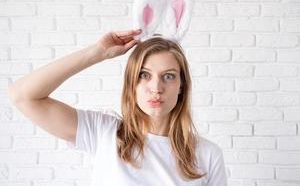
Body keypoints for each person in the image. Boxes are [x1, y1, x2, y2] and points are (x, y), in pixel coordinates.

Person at [7, 29, 227, 186]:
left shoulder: (207, 155)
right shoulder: (104, 132)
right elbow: (22, 96)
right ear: (132, 83)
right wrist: (97, 53)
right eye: (144, 75)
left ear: (181, 86)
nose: (156, 88)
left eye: (168, 76)